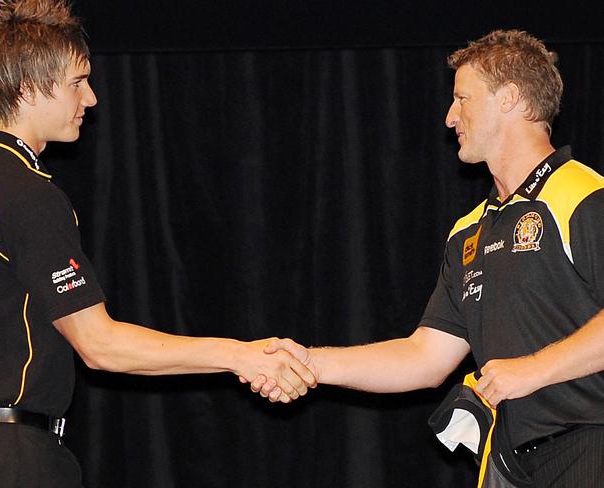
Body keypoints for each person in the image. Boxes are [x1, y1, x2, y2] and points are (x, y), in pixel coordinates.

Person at [0, 1, 315, 487]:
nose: (92, 99)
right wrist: (240, 354)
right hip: (7, 460)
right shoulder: (25, 191)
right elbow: (100, 345)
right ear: (28, 87)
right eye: (77, 83)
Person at [257, 30, 604, 487]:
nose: (449, 117)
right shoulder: (470, 232)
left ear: (510, 99)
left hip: (589, 443)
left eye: (463, 99)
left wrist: (535, 368)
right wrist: (310, 363)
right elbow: (424, 357)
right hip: (510, 465)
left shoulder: (582, 196)